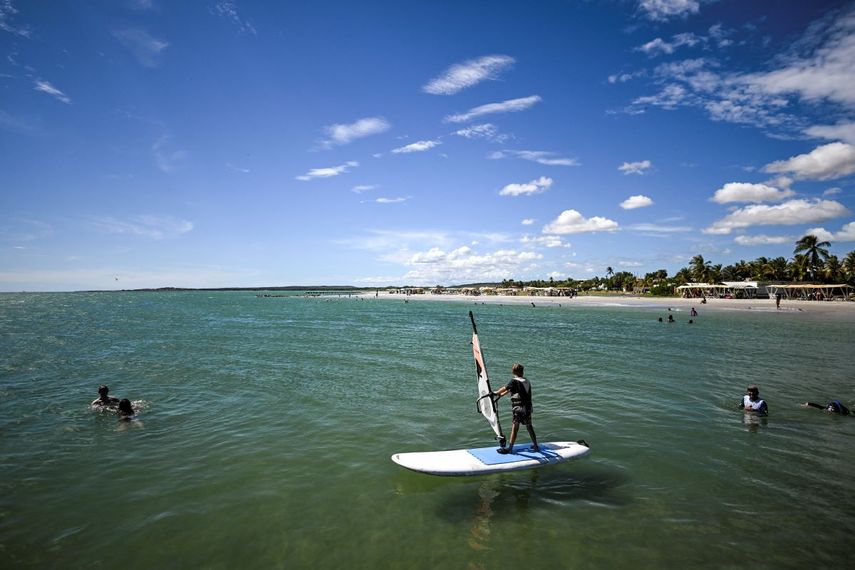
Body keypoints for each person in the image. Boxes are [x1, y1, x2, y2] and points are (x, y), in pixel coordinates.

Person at [492, 363, 539, 454]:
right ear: (522, 371)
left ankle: (510, 448)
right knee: (529, 427)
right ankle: (536, 445)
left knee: (515, 428)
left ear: (514, 371)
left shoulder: (514, 381)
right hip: (528, 408)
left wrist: (495, 393)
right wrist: (500, 395)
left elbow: (505, 388)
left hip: (518, 409)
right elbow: (510, 390)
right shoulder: (526, 381)